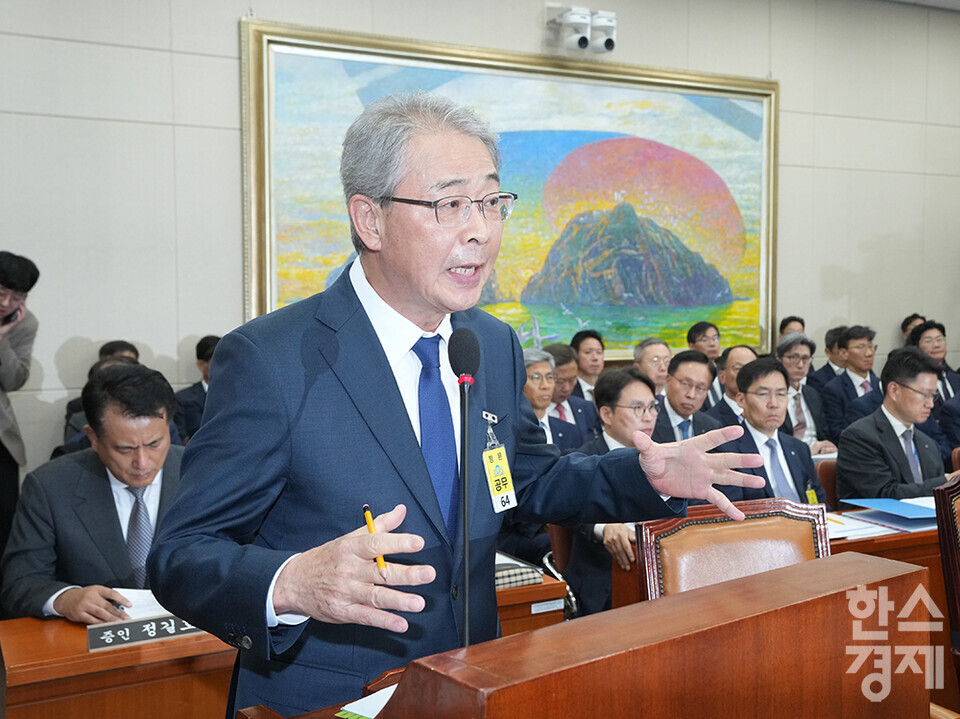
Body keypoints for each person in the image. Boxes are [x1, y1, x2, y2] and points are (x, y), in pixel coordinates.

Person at [147, 92, 763, 716]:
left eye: (492, 202)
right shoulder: (272, 358)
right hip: (322, 697)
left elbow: (521, 476)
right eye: (449, 204)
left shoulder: (488, 343)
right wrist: (293, 582)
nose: (481, 230)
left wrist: (641, 472)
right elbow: (181, 554)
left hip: (470, 684)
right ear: (371, 220)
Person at [1, 364, 182, 623]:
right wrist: (65, 599)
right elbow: (19, 582)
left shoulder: (201, 473)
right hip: (92, 648)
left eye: (154, 443)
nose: (143, 462)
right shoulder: (49, 486)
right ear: (93, 437)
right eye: (124, 449)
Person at [564, 368, 659, 616]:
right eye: (638, 408)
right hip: (603, 583)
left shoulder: (665, 456)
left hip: (659, 577)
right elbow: (568, 509)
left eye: (652, 407)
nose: (648, 417)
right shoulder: (581, 460)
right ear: (606, 413)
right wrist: (603, 527)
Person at [836, 348, 957, 499]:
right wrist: (947, 482)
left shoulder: (928, 444)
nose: (931, 404)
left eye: (933, 395)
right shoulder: (859, 436)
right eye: (924, 395)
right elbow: (884, 494)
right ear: (893, 390)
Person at [712, 357, 826, 504]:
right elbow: (729, 513)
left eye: (781, 394)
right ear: (741, 400)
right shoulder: (726, 452)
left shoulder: (799, 449)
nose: (774, 404)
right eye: (763, 394)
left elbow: (820, 505)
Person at [0, 251, 40, 582]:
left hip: (1, 439)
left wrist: (0, 338)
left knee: (4, 523)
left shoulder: (25, 322)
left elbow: (14, 380)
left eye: (18, 296)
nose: (7, 302)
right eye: (2, 293)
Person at [775, 333, 835, 456]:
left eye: (805, 358)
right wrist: (806, 452)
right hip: (790, 456)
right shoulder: (772, 397)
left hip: (819, 456)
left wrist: (828, 446)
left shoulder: (812, 393)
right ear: (779, 360)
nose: (800, 365)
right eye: (793, 357)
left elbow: (824, 433)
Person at [821, 325, 880, 443]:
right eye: (861, 347)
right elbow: (836, 432)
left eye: (871, 347)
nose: (869, 353)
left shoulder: (881, 385)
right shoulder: (833, 389)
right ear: (844, 353)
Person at [653, 350, 721, 442]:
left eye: (700, 388)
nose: (691, 395)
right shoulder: (649, 422)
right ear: (668, 379)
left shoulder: (712, 427)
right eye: (685, 384)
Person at [522, 348, 579, 452]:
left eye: (549, 377)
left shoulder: (570, 431)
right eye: (536, 377)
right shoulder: (511, 431)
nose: (545, 386)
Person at [542, 343, 600, 442]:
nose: (567, 388)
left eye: (572, 380)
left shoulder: (586, 408)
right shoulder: (532, 413)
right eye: (559, 381)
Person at [174, 335, 221, 442]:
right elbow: (179, 440)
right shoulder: (182, 399)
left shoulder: (239, 395)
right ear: (200, 365)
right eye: (216, 362)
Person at [906, 320, 960, 414]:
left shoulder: (956, 378)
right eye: (928, 341)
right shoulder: (914, 383)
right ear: (917, 347)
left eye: (940, 339)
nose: (936, 345)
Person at [705, 345, 757, 428]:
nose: (747, 374)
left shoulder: (769, 414)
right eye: (738, 368)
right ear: (722, 377)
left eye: (752, 368)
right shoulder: (710, 421)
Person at [686, 321, 722, 409]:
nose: (712, 344)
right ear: (692, 346)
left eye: (715, 339)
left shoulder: (724, 374)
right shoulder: (686, 377)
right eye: (704, 340)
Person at [807, 325, 847, 392]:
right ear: (828, 352)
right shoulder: (816, 379)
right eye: (841, 349)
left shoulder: (861, 372)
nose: (846, 352)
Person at [569, 329, 604, 402]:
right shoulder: (568, 390)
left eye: (599, 352)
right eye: (588, 352)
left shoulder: (611, 388)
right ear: (575, 355)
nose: (595, 358)